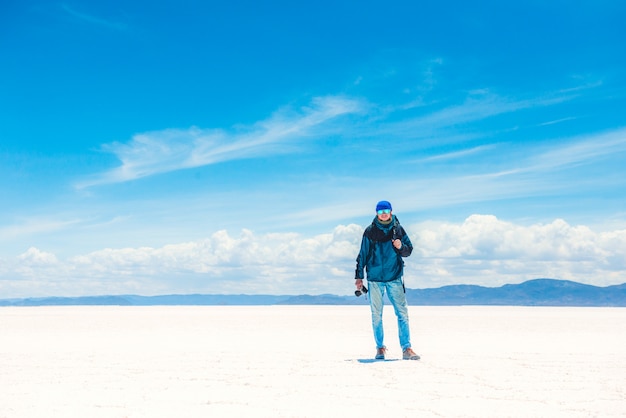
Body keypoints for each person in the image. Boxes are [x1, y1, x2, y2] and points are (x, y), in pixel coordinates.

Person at [354, 200, 420, 360]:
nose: (383, 213)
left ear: (391, 212)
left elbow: (408, 250)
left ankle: (407, 348)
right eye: (380, 211)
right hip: (375, 279)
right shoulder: (370, 231)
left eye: (386, 210)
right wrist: (358, 276)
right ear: (377, 213)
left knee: (402, 314)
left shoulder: (398, 229)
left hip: (394, 277)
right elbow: (362, 254)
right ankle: (380, 348)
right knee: (376, 315)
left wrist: (400, 246)